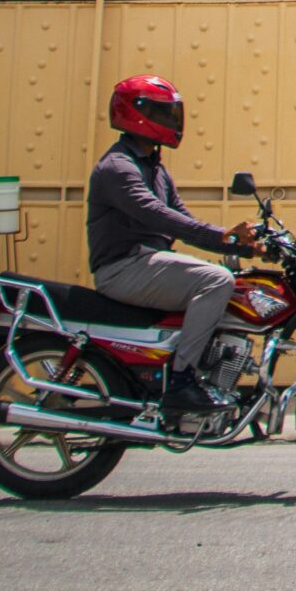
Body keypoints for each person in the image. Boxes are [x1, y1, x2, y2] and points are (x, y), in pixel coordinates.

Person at [87, 74, 255, 413]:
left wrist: (243, 245)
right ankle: (182, 382)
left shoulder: (156, 169)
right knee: (216, 280)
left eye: (171, 114)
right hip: (123, 267)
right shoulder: (118, 167)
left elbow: (184, 219)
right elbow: (158, 216)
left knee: (233, 281)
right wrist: (225, 239)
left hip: (147, 264)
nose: (171, 121)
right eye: (162, 113)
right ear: (136, 114)